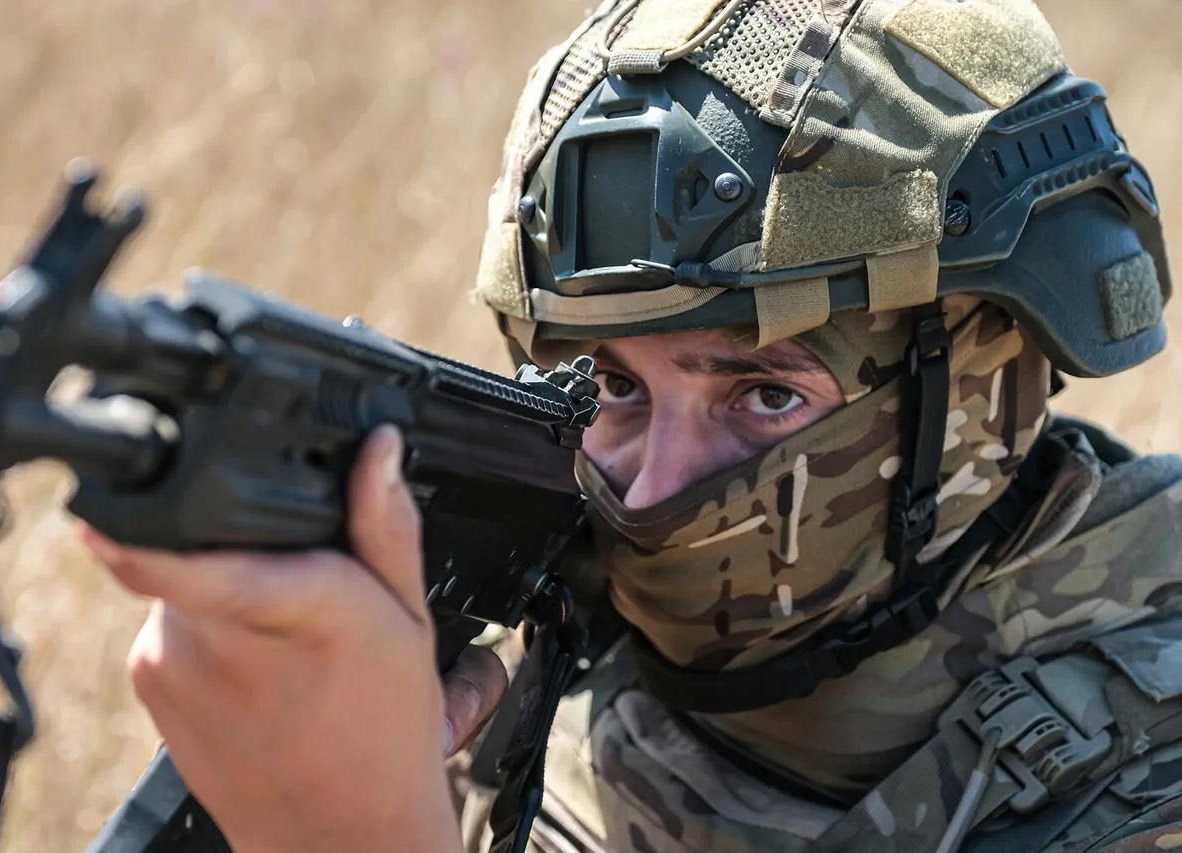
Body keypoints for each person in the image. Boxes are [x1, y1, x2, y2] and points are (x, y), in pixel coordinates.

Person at [82, 0, 1182, 851]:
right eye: (612, 384)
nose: (650, 492)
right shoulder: (556, 640)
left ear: (985, 389)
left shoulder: (1141, 782)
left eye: (764, 395)